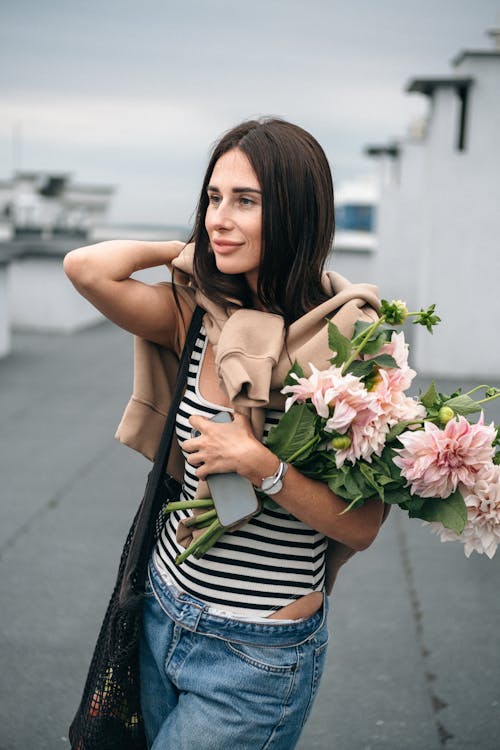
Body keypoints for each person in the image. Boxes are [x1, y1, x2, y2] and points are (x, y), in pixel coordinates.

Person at [64, 117, 385, 750]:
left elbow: (361, 526)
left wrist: (261, 463)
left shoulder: (354, 348)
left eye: (246, 201)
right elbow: (85, 268)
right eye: (213, 198)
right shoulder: (196, 319)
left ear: (295, 213)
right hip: (162, 611)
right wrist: (186, 250)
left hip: (256, 653)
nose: (219, 217)